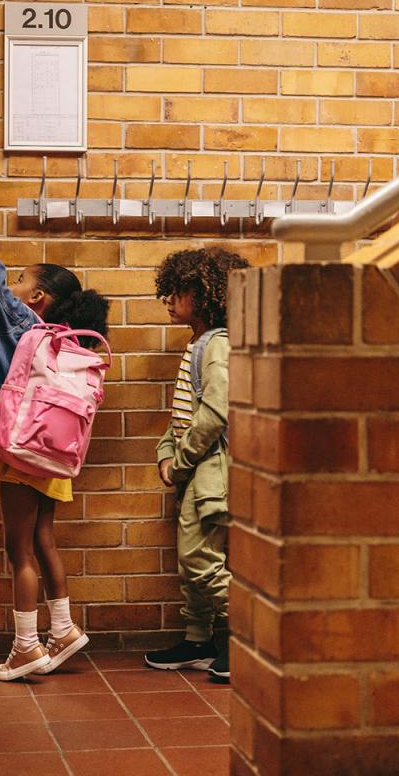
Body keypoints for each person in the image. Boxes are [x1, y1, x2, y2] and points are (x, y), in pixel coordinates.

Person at [0, 179, 110, 681]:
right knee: (44, 539)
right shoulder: (67, 342)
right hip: (53, 450)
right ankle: (64, 629)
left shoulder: (23, 323)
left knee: (18, 549)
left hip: (22, 447)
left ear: (38, 297)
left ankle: (27, 648)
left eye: (20, 284)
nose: (10, 289)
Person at [145, 247, 249, 683]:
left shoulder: (218, 343)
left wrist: (183, 461)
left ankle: (254, 641)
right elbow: (181, 416)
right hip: (194, 464)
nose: (169, 299)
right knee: (191, 561)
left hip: (210, 467)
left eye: (179, 290)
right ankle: (198, 640)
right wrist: (167, 453)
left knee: (199, 558)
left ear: (207, 294)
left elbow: (217, 411)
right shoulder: (200, 343)